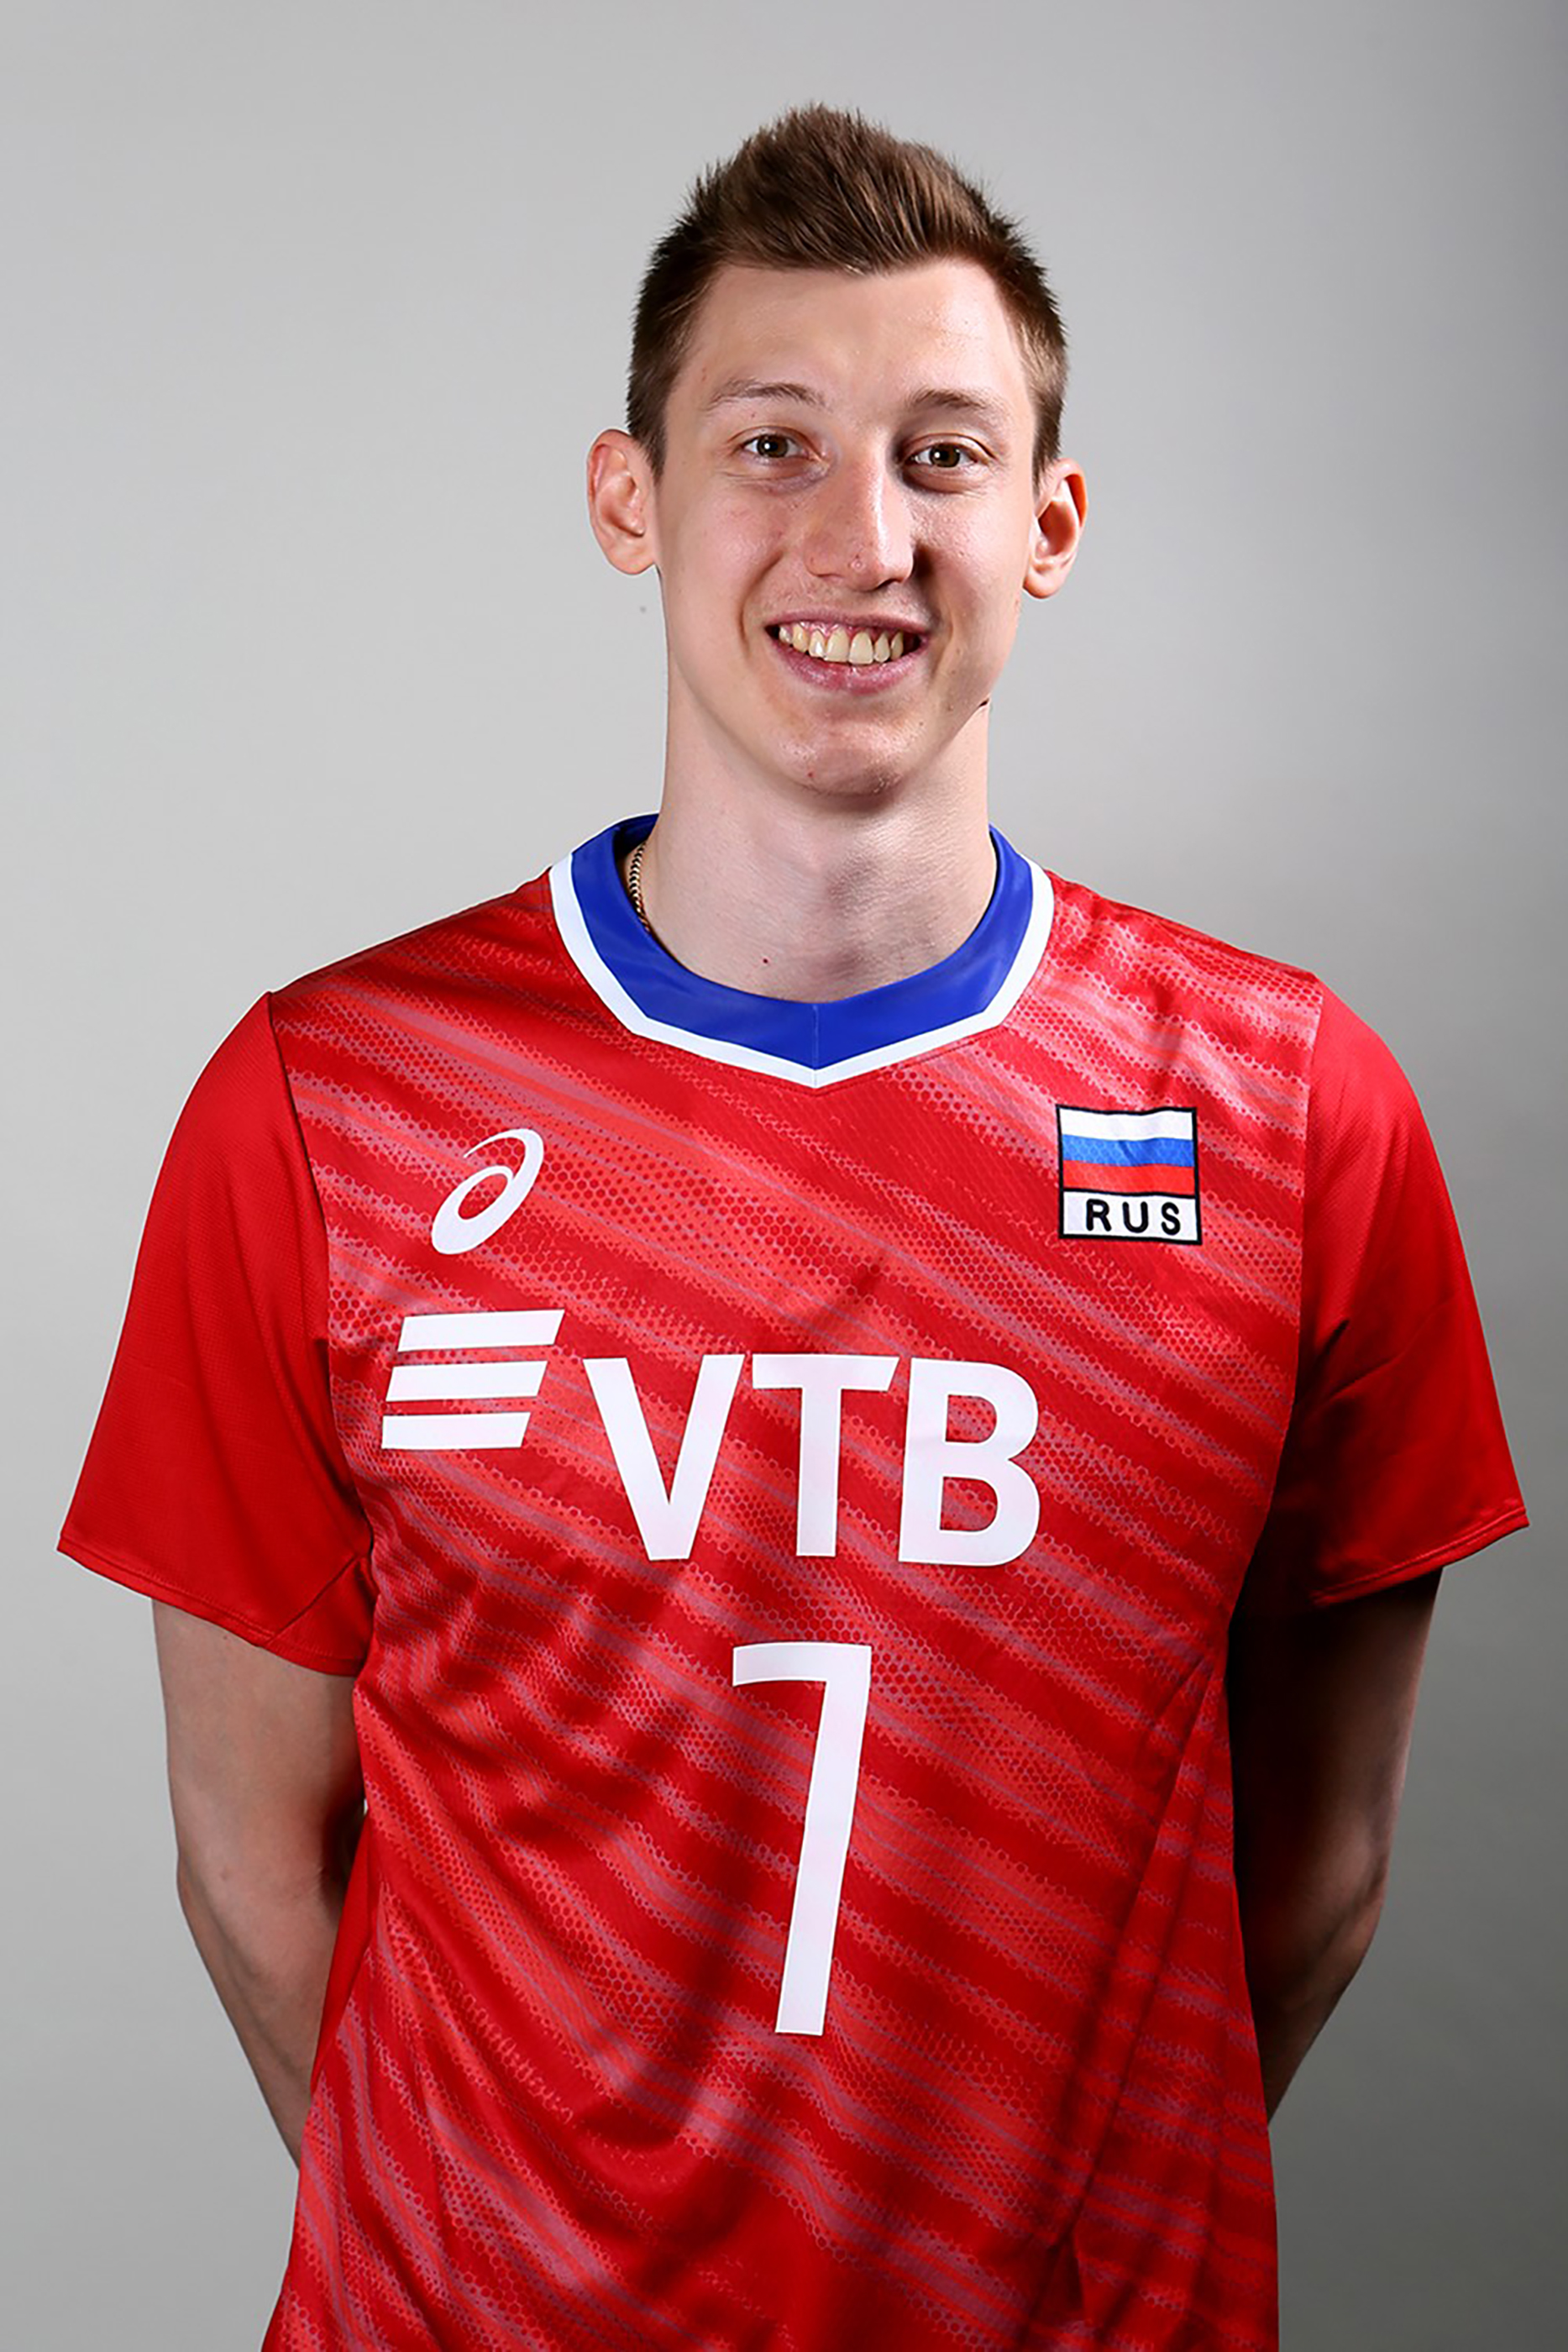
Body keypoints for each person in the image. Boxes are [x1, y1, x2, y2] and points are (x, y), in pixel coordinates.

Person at [60, 104, 1526, 2351]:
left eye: (945, 456)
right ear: (627, 499)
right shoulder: (325, 1108)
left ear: (1047, 526)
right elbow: (253, 1867)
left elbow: (1316, 1874)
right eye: (773, 445)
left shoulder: (1295, 1114)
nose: (864, 537)